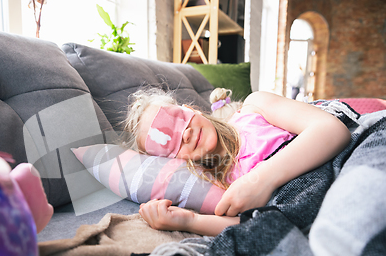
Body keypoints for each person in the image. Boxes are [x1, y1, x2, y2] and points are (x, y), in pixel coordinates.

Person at [123, 87, 351, 236]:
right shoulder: (215, 186)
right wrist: (190, 221)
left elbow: (333, 130)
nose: (185, 134)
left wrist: (261, 180)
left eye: (178, 119)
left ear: (191, 110)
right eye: (169, 143)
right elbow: (254, 226)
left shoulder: (255, 107)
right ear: (173, 162)